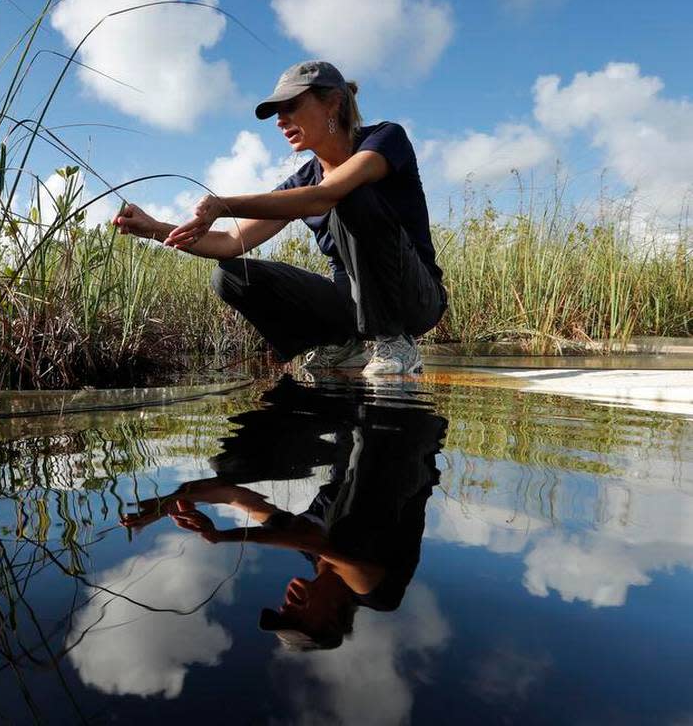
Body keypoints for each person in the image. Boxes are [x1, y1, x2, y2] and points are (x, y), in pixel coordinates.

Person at [112, 60, 447, 375]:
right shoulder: (303, 180)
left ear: (332, 103)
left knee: (350, 195)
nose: (280, 120)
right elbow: (229, 242)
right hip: (350, 307)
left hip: (414, 299)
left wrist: (224, 204)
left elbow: (325, 197)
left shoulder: (385, 139)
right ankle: (342, 345)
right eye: (277, 112)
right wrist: (153, 228)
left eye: (291, 107)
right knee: (230, 276)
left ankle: (394, 342)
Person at [120, 376, 448, 650]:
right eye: (297, 617)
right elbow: (324, 549)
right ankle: (359, 392)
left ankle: (319, 378)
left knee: (230, 468)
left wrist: (166, 504)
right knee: (342, 532)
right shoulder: (379, 596)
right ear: (333, 618)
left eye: (282, 612)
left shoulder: (305, 544)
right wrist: (223, 537)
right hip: (406, 437)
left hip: (352, 433)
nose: (286, 605)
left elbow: (234, 496)